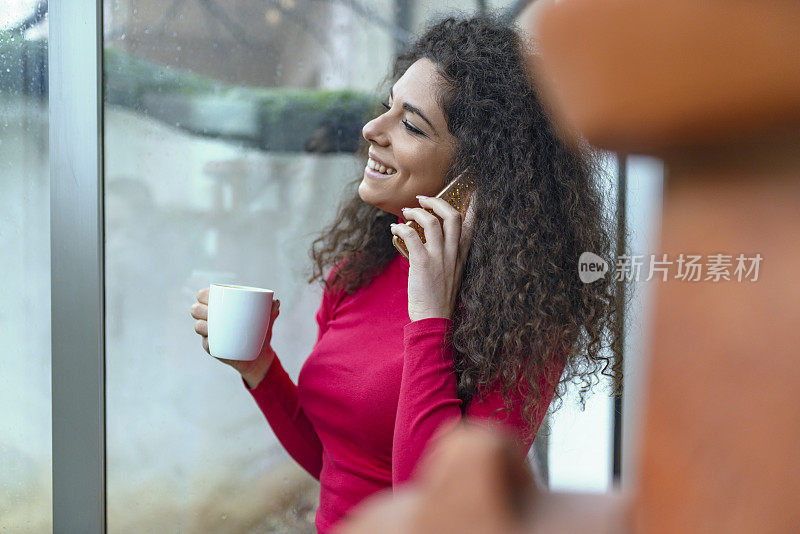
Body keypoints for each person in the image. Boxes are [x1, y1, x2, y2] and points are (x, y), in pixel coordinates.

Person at [190, 13, 622, 534]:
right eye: (387, 107)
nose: (374, 129)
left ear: (480, 175)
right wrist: (259, 368)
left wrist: (429, 315)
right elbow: (336, 463)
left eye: (411, 124)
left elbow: (434, 508)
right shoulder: (356, 272)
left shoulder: (527, 320)